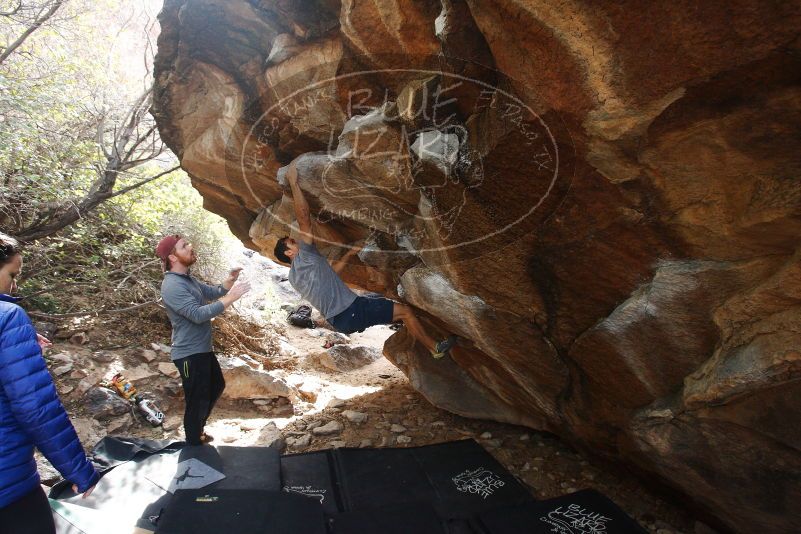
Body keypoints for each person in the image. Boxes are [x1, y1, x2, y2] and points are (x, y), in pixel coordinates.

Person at [273, 162, 458, 358]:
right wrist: (294, 183)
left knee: (392, 305)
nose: (297, 241)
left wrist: (348, 255)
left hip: (343, 319)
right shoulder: (305, 256)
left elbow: (329, 276)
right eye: (292, 242)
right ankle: (434, 348)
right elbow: (304, 219)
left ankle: (424, 341)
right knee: (405, 311)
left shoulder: (295, 277)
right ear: (289, 253)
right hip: (352, 310)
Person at [0, 233, 98, 534]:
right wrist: (80, 471)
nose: (15, 285)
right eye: (12, 274)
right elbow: (34, 407)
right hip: (9, 487)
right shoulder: (8, 317)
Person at [156, 234, 250, 445]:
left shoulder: (187, 279)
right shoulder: (171, 285)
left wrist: (230, 280)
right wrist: (230, 298)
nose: (190, 247)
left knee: (216, 386)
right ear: (173, 257)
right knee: (196, 399)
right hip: (188, 354)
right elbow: (197, 314)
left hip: (201, 350)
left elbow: (211, 292)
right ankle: (193, 441)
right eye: (184, 246)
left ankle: (197, 430)